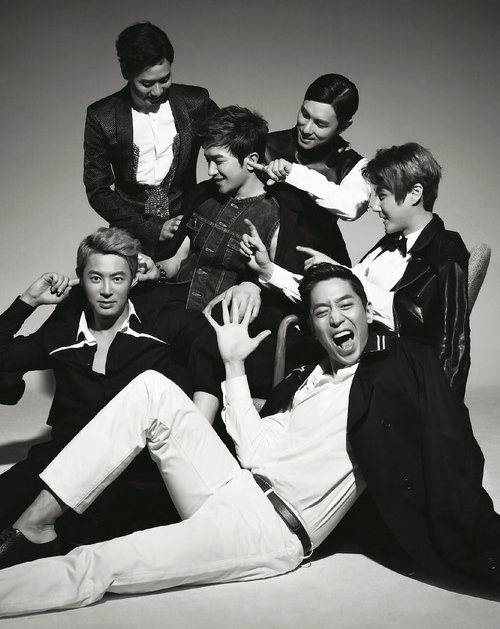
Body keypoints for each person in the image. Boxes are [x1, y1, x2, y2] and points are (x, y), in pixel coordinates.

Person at [0, 264, 499, 618]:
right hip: (235, 486)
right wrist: (234, 365)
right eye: (322, 311)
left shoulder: (395, 374)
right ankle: (36, 524)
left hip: (268, 530)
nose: (336, 319)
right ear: (312, 324)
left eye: (347, 305)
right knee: (152, 389)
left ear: (369, 312)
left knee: (99, 561)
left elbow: (440, 353)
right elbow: (254, 451)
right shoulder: (308, 380)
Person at [0, 227, 208, 548]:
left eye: (118, 278)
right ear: (80, 279)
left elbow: (216, 345)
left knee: (66, 544)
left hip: (135, 473)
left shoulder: (160, 324)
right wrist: (28, 301)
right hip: (60, 459)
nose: (107, 290)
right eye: (96, 278)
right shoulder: (63, 331)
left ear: (134, 280)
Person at [146, 105, 351, 416]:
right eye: (207, 161)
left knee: (206, 340)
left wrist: (254, 285)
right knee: (128, 307)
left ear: (251, 160)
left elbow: (291, 287)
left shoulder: (279, 214)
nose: (210, 171)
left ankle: (195, 434)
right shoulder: (203, 196)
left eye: (218, 161)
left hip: (227, 321)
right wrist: (157, 270)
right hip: (182, 303)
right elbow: (180, 257)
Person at [245, 143, 470, 399]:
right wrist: (269, 270)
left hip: (385, 377)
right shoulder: (386, 246)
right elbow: (337, 299)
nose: (373, 206)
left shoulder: (445, 248)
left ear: (415, 193)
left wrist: (443, 408)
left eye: (381, 195)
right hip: (341, 358)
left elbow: (451, 337)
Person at [83, 22, 219, 256]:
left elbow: (235, 139)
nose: (157, 91)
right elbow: (98, 190)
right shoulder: (102, 116)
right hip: (127, 237)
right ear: (125, 72)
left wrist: (278, 156)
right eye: (147, 84)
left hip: (188, 230)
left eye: (164, 79)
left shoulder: (195, 103)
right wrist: (152, 228)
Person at [250, 73, 370, 261]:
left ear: (344, 126)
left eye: (320, 124)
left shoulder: (355, 166)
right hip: (261, 260)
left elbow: (352, 207)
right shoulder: (263, 144)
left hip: (317, 267)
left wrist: (293, 173)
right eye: (305, 115)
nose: (306, 129)